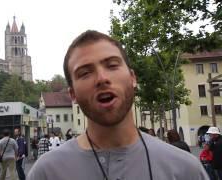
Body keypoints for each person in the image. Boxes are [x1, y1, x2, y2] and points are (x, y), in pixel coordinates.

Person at [27, 30, 208, 180]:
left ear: (132, 78)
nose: (102, 78)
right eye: (85, 73)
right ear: (72, 94)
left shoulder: (186, 170)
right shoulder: (46, 173)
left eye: (112, 65)